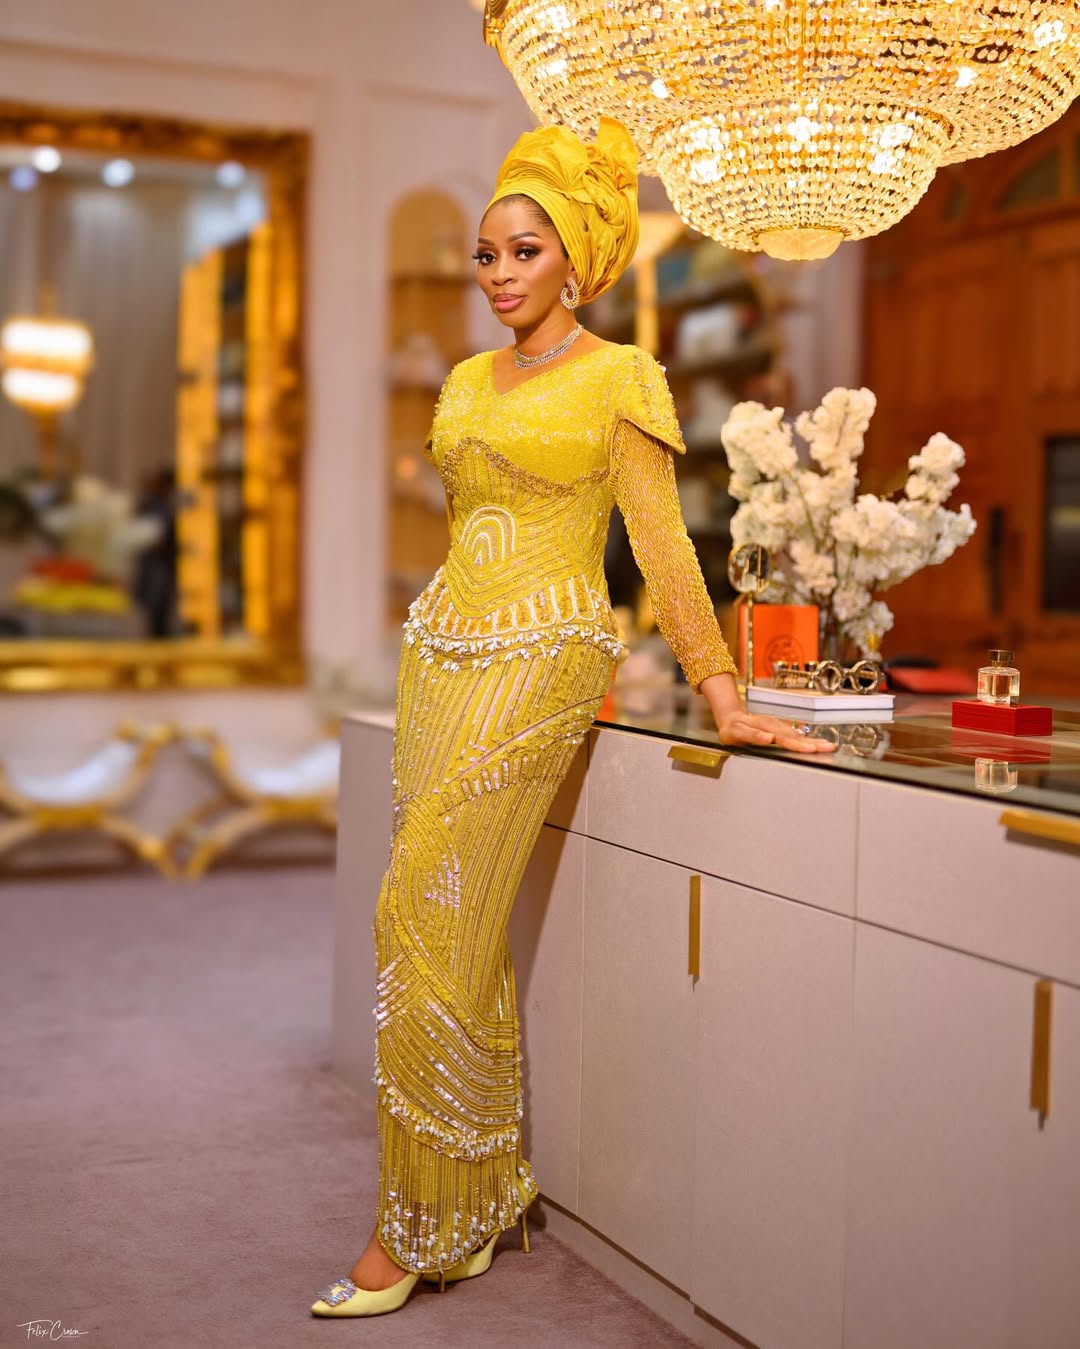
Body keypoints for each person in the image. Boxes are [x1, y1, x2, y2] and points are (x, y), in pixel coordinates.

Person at [311, 117, 834, 1320]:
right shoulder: (461, 380)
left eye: (524, 251)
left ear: (578, 261)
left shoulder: (623, 376)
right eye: (486, 254)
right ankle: (480, 1196)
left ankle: (413, 1223)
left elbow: (661, 547)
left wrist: (723, 694)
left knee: (414, 917)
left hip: (547, 652)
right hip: (441, 652)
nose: (499, 274)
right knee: (459, 927)